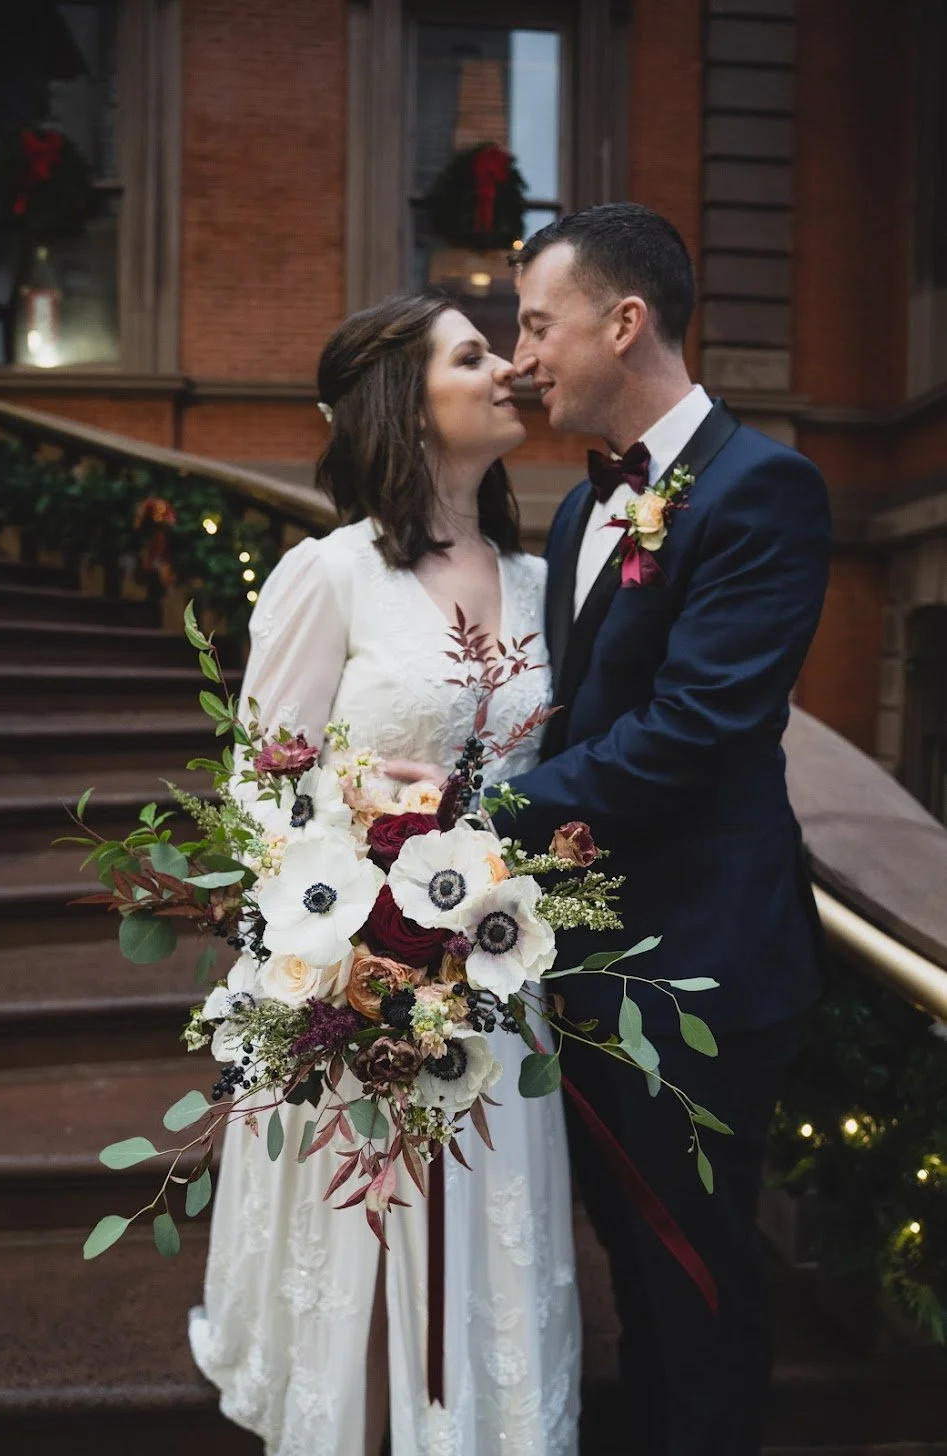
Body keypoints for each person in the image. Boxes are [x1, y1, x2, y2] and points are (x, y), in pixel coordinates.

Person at [189, 293, 582, 1456]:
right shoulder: (332, 574)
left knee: (475, 1267)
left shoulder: (541, 581)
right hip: (360, 985)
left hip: (496, 990)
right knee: (370, 1260)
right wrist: (357, 827)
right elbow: (256, 788)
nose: (506, 369)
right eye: (471, 355)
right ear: (405, 405)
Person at [499, 202, 832, 1456]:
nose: (522, 357)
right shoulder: (577, 511)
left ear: (622, 322)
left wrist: (479, 818)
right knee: (631, 1273)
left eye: (537, 325)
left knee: (697, 1282)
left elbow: (694, 729)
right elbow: (574, 713)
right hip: (586, 962)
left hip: (700, 966)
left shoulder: (763, 488)